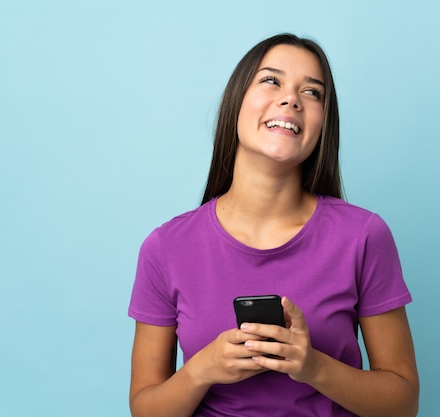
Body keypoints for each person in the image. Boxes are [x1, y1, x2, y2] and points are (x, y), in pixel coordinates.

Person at [128, 33, 419, 417]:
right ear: (237, 102)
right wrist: (203, 369)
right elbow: (145, 409)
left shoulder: (363, 236)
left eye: (312, 92)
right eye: (271, 80)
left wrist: (313, 367)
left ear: (322, 125)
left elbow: (403, 404)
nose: (291, 98)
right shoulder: (166, 247)